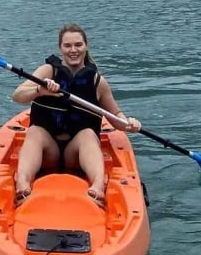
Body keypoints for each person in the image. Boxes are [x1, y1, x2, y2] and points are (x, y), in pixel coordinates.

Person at [11, 24, 140, 208]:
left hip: (76, 153)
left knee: (88, 134)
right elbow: (18, 96)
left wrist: (129, 123)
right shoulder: (48, 71)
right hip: (49, 150)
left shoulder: (97, 82)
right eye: (68, 45)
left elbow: (116, 116)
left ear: (86, 46)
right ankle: (23, 183)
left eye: (78, 45)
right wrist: (40, 90)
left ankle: (98, 185)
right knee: (34, 132)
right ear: (60, 48)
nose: (73, 50)